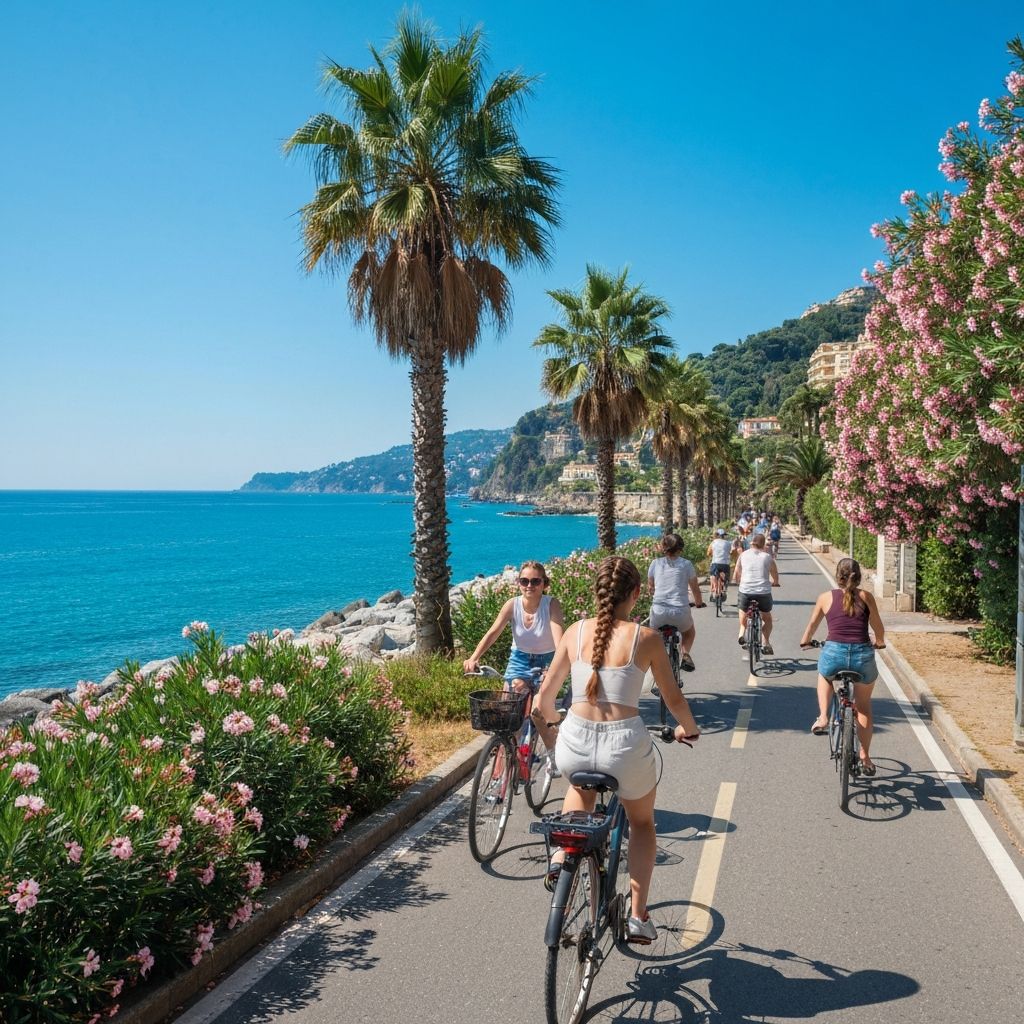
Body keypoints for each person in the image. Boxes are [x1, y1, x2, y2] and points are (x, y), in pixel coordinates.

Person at [536, 556, 700, 944]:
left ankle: (561, 859)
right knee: (641, 823)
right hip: (624, 746)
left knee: (579, 791)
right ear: (637, 593)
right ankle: (638, 916)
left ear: (596, 592)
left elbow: (543, 701)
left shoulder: (574, 632)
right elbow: (674, 699)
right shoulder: (646, 638)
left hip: (575, 742)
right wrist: (688, 729)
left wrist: (558, 722)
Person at [463, 560, 565, 765]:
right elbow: (493, 633)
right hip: (519, 659)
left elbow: (559, 641)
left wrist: (555, 669)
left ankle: (553, 754)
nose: (529, 585)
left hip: (547, 661)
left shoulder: (551, 604)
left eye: (535, 581)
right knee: (511, 712)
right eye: (524, 581)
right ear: (518, 582)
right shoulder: (512, 605)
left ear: (544, 583)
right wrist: (474, 657)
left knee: (538, 711)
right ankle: (515, 758)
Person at [799, 558, 886, 775]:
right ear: (859, 576)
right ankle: (865, 757)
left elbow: (812, 625)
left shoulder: (825, 597)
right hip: (862, 656)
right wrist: (880, 641)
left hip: (834, 654)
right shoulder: (866, 597)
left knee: (824, 675)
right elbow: (877, 626)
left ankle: (823, 717)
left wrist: (805, 640)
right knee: (863, 707)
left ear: (838, 576)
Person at [647, 533, 704, 672]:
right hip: (680, 611)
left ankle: (656, 666)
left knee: (654, 638)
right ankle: (685, 654)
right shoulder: (686, 564)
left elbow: (651, 588)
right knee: (689, 633)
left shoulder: (655, 563)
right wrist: (698, 603)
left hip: (658, 611)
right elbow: (695, 588)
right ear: (680, 549)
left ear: (664, 547)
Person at [733, 532, 780, 655]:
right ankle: (765, 642)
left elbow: (737, 572)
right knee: (767, 619)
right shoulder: (767, 557)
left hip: (746, 591)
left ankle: (742, 633)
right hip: (763, 593)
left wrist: (738, 582)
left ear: (751, 543)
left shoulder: (743, 555)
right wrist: (775, 582)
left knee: (743, 612)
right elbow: (774, 572)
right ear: (763, 545)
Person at [706, 528, 734, 601]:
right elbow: (730, 552)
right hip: (725, 564)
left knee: (712, 575)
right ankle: (724, 589)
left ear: (717, 535)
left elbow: (708, 553)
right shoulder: (728, 543)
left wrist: (713, 554)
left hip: (715, 563)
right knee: (727, 576)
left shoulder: (713, 542)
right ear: (724, 536)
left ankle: (713, 592)